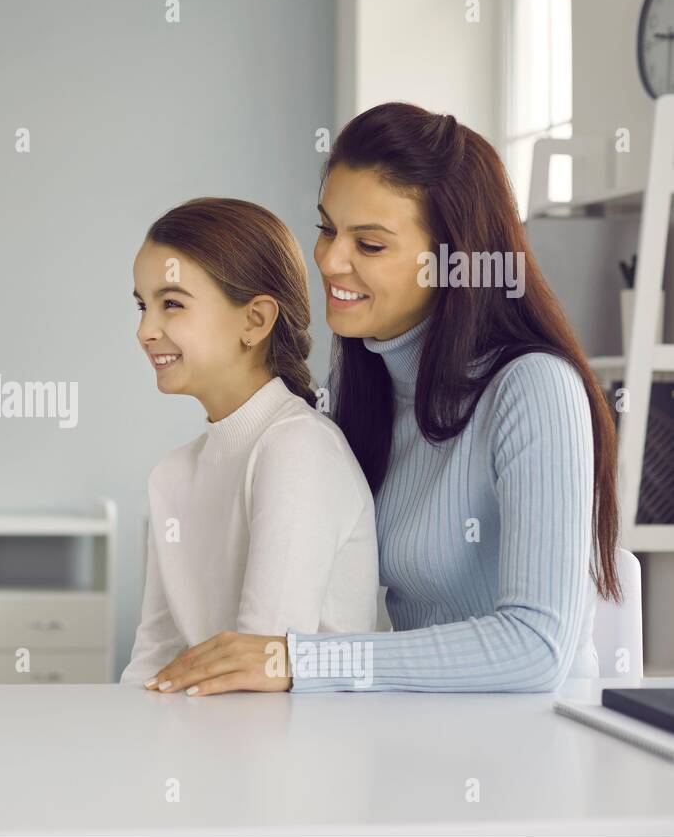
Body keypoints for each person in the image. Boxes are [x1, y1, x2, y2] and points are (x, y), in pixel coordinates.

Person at [151, 103, 620, 695]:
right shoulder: (364, 386)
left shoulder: (535, 388)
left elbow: (536, 648)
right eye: (326, 229)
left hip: (533, 754)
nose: (328, 259)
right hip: (412, 739)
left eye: (369, 245)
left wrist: (300, 661)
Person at [120, 198, 379, 691]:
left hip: (293, 756)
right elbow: (150, 665)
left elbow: (261, 671)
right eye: (142, 305)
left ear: (255, 321)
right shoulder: (172, 474)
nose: (145, 331)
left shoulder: (298, 449)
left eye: (171, 303)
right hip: (207, 749)